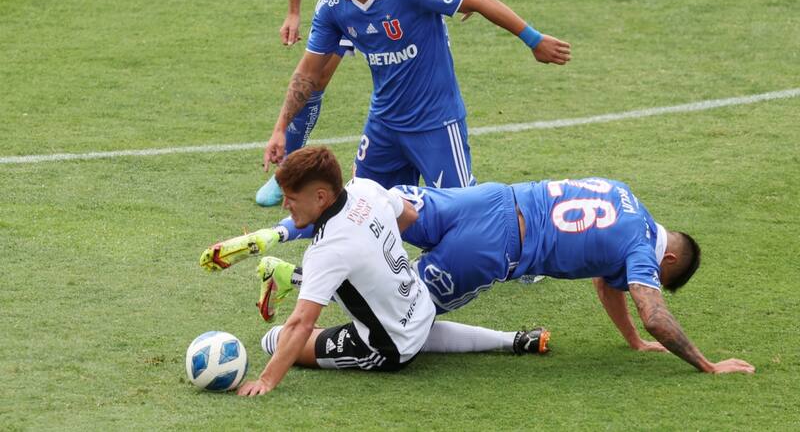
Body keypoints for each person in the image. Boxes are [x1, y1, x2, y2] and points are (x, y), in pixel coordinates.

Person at [211, 174, 755, 374]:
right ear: (668, 262)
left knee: (378, 208)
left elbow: (604, 283)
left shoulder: (623, 193)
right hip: (494, 246)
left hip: (487, 199)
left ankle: (289, 240)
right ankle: (302, 276)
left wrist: (631, 341)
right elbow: (656, 314)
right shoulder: (642, 253)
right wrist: (707, 365)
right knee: (406, 316)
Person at [261, 0, 571, 202]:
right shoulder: (331, 5)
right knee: (361, 210)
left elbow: (477, 1)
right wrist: (280, 128)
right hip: (383, 125)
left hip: (436, 123)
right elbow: (307, 75)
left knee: (462, 214)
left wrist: (534, 39)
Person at [235, 147, 549, 397]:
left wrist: (266, 380)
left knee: (273, 340)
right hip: (421, 304)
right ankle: (513, 340)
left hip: (386, 349)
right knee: (400, 316)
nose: (286, 206)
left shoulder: (325, 249)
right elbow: (410, 214)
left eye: (291, 198)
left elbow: (301, 324)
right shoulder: (365, 188)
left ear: (320, 197)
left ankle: (287, 275)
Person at [257, 0, 479, 207]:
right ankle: (289, 168)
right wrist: (293, 11)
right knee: (315, 75)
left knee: (420, 75)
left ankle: (436, 156)